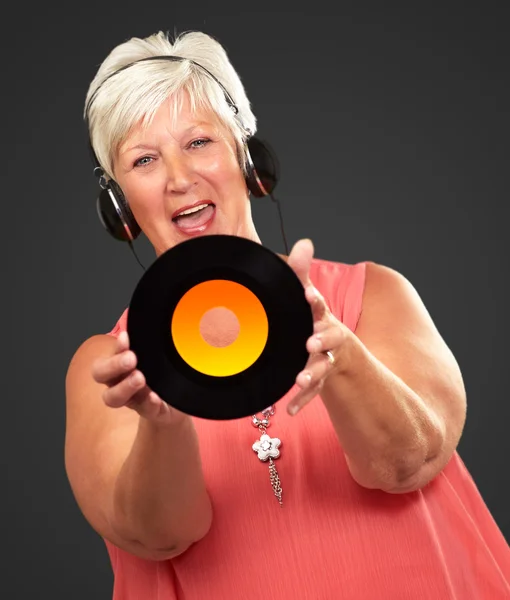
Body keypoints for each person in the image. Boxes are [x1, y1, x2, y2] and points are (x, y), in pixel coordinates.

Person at [65, 30, 510, 600]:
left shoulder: (375, 294)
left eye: (199, 142)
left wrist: (343, 357)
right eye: (145, 159)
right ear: (120, 204)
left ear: (248, 160)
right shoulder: (111, 367)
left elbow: (407, 465)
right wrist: (163, 423)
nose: (180, 179)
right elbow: (159, 538)